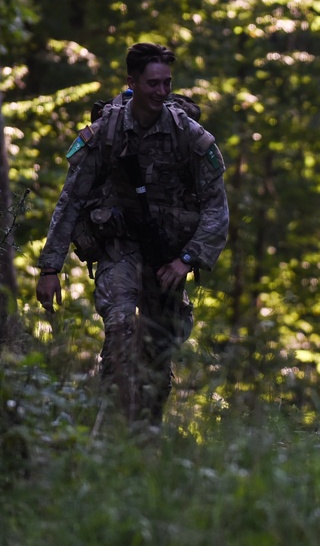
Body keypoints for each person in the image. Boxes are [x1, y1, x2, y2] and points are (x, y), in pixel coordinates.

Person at [36, 42, 229, 425]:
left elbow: (216, 208)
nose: (161, 92)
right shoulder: (107, 131)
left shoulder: (187, 135)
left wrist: (186, 260)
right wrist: (49, 267)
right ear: (132, 83)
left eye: (167, 84)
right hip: (120, 247)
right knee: (121, 325)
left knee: (160, 349)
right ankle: (112, 422)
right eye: (153, 84)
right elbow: (71, 199)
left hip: (168, 257)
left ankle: (148, 432)